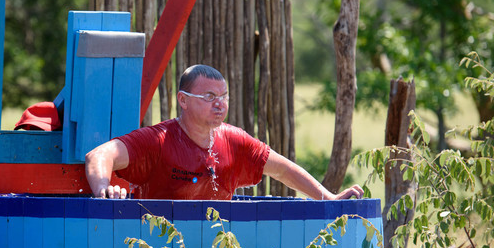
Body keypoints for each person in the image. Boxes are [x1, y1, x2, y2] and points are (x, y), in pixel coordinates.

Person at [85, 64, 364, 201]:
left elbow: (282, 170)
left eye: (224, 96)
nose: (220, 104)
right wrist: (102, 189)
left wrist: (328, 199)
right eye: (209, 97)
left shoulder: (234, 140)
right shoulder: (158, 140)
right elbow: (98, 155)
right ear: (183, 100)